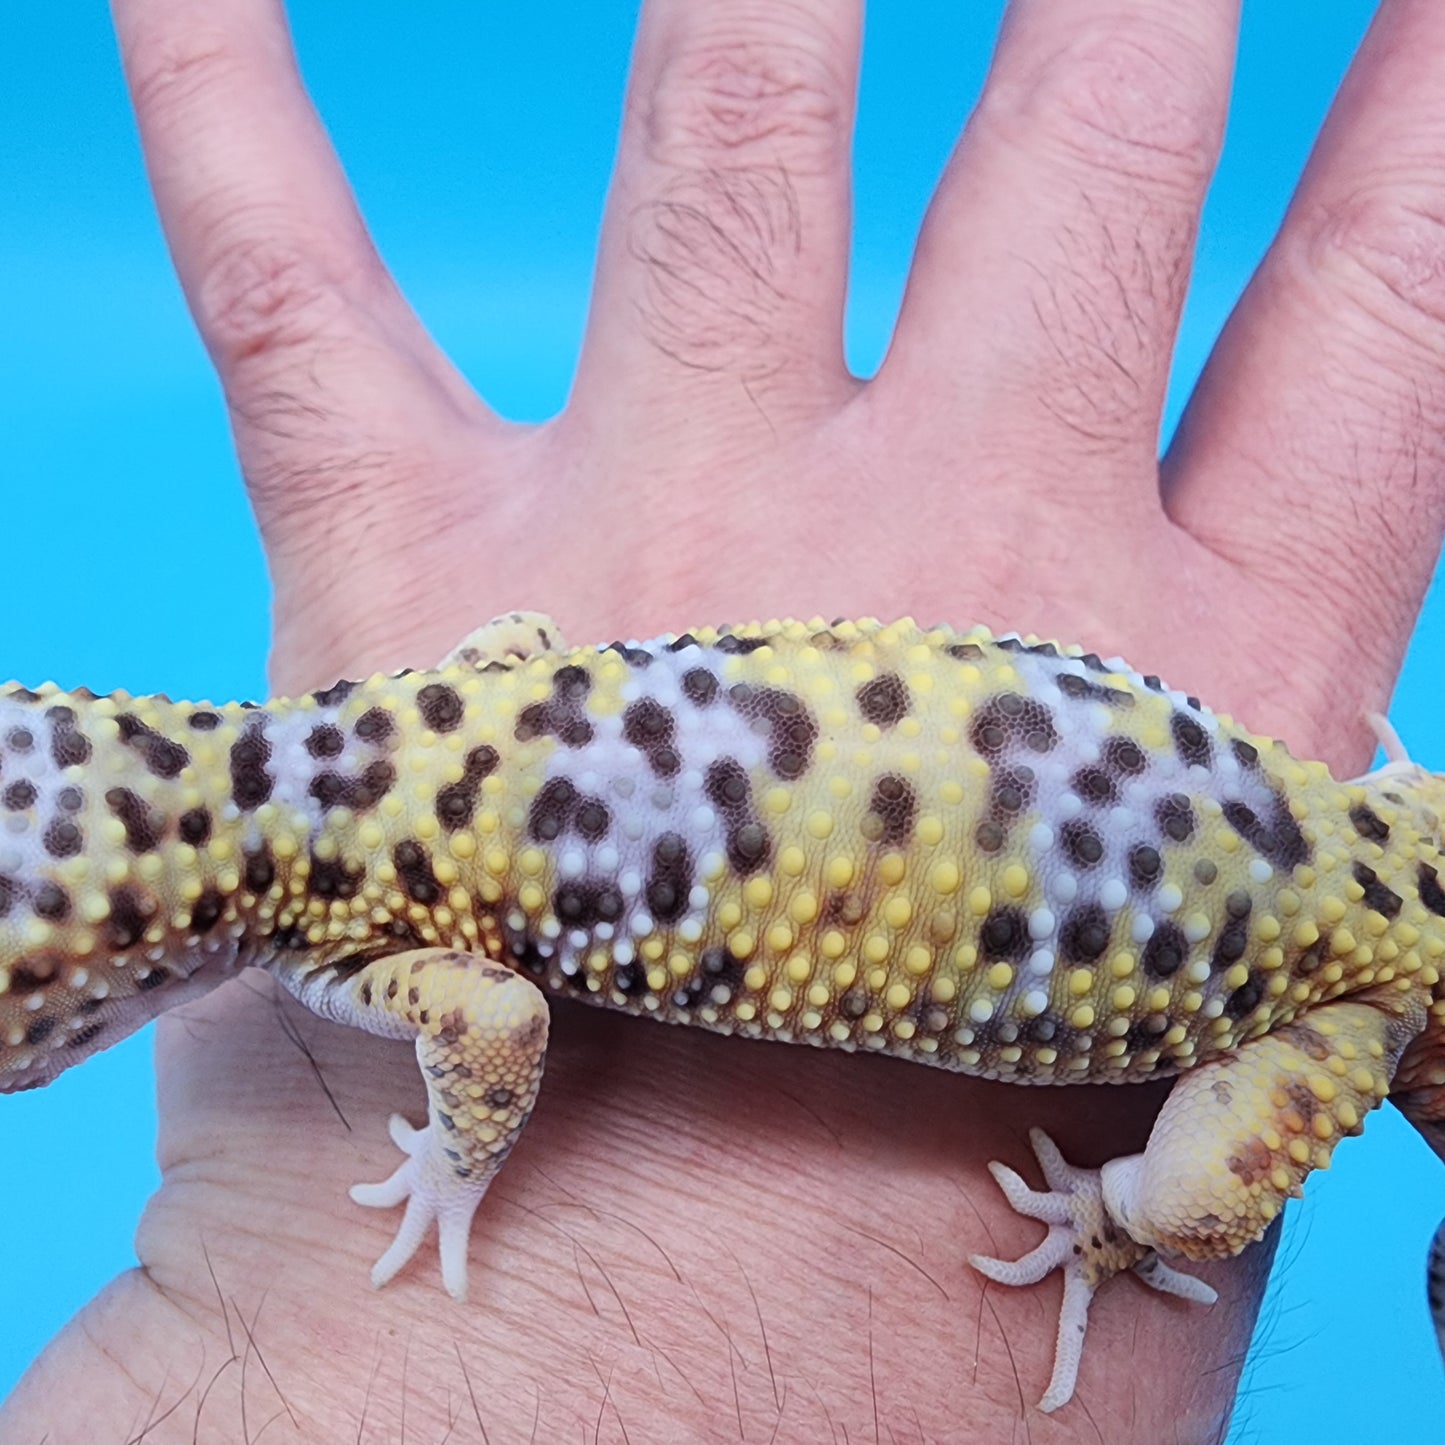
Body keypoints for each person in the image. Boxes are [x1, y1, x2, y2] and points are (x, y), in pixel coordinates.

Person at [6, 1, 1444, 1439]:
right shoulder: (372, 717)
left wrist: (455, 1161)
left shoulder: (352, 947)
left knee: (1181, 1200)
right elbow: (516, 645)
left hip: (1319, 972)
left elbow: (495, 1025)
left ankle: (1121, 1232)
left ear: (97, 990)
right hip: (1324, 828)